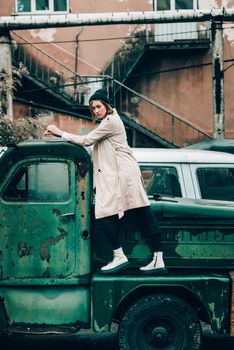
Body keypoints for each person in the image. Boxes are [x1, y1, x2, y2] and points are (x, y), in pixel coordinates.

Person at [44, 89, 167, 275]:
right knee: (133, 213)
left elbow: (86, 140)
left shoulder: (112, 122)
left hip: (124, 176)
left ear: (107, 106)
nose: (95, 110)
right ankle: (139, 257)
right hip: (119, 176)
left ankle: (139, 258)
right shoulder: (108, 123)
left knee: (133, 212)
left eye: (98, 106)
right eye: (93, 107)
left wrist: (59, 132)